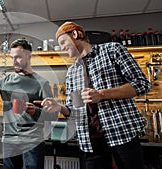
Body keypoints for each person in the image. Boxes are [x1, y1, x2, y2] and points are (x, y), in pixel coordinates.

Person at [37, 21, 151, 169]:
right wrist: (59, 107)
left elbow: (142, 84)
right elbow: (73, 111)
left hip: (121, 133)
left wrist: (102, 94)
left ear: (75, 34)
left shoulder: (112, 50)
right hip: (90, 141)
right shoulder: (72, 72)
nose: (62, 48)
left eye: (63, 42)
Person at [0, 39, 58, 169]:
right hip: (9, 140)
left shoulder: (42, 83)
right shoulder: (6, 80)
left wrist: (36, 111)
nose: (14, 61)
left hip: (32, 140)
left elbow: (53, 115)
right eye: (12, 57)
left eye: (18, 57)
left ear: (29, 56)